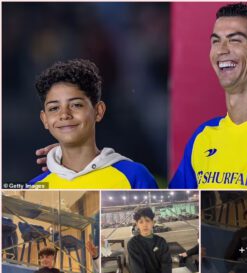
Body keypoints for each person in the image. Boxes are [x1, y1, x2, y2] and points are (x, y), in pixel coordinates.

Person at [169, 3, 247, 189]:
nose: (221, 50)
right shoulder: (203, 136)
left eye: (235, 40)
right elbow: (179, 210)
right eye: (215, 41)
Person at [29, 59, 158, 189]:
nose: (64, 114)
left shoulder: (133, 176)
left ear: (98, 111)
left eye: (76, 105)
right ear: (45, 119)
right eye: (54, 108)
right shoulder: (34, 188)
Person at [127, 207, 172, 273]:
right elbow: (137, 272)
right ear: (137, 224)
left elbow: (166, 267)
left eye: (147, 220)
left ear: (153, 222)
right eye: (141, 222)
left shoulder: (161, 242)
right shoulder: (133, 244)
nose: (145, 225)